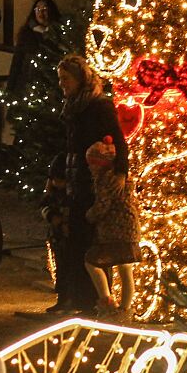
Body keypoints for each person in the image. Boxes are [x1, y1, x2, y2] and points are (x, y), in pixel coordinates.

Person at [48, 55, 127, 314]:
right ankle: (78, 297)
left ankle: (96, 300)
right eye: (60, 79)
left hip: (94, 181)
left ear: (80, 78)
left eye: (66, 79)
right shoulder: (72, 105)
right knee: (76, 239)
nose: (62, 84)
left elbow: (118, 140)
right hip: (75, 179)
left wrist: (119, 174)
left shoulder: (98, 106)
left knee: (92, 242)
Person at [83, 136, 141, 318]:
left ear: (100, 164)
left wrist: (89, 215)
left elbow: (103, 205)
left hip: (114, 230)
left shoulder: (104, 179)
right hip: (130, 228)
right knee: (125, 269)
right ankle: (124, 310)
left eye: (92, 164)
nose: (90, 167)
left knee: (91, 261)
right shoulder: (124, 178)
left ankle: (107, 301)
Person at [6, 0, 62, 99]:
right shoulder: (26, 35)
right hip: (26, 85)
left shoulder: (58, 34)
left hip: (50, 88)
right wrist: (10, 89)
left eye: (44, 9)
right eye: (37, 9)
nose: (40, 13)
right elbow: (17, 62)